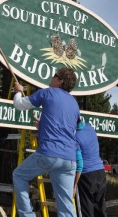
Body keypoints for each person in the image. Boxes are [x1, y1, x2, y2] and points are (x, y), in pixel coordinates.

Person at [12, 67, 80, 217]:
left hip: (50, 153)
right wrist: (42, 125)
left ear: (60, 81)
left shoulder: (48, 92)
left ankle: (27, 215)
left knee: (19, 175)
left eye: (55, 75)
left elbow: (20, 104)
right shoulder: (74, 103)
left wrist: (18, 91)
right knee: (66, 204)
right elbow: (68, 130)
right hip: (69, 159)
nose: (52, 77)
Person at [73, 118, 107, 217]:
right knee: (100, 209)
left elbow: (79, 165)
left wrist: (74, 185)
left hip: (86, 176)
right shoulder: (90, 128)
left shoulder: (75, 137)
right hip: (100, 172)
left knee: (87, 211)